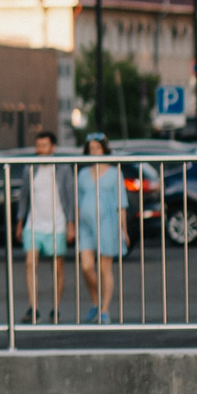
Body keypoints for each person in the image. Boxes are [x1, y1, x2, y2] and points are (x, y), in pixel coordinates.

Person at [18, 129, 72, 324]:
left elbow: (69, 196)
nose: (40, 149)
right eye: (38, 146)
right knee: (30, 264)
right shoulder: (30, 168)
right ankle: (34, 308)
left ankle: (55, 309)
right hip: (34, 223)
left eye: (44, 146)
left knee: (57, 268)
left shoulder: (62, 168)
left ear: (53, 147)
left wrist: (71, 223)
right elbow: (24, 196)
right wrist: (20, 221)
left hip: (56, 224)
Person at [74, 134, 128, 323]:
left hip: (108, 223)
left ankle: (105, 308)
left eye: (97, 148)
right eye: (91, 149)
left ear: (104, 150)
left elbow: (121, 203)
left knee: (105, 268)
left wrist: (124, 229)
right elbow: (78, 203)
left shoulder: (114, 173)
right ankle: (96, 300)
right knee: (86, 266)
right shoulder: (82, 174)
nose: (94, 151)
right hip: (86, 225)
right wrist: (75, 224)